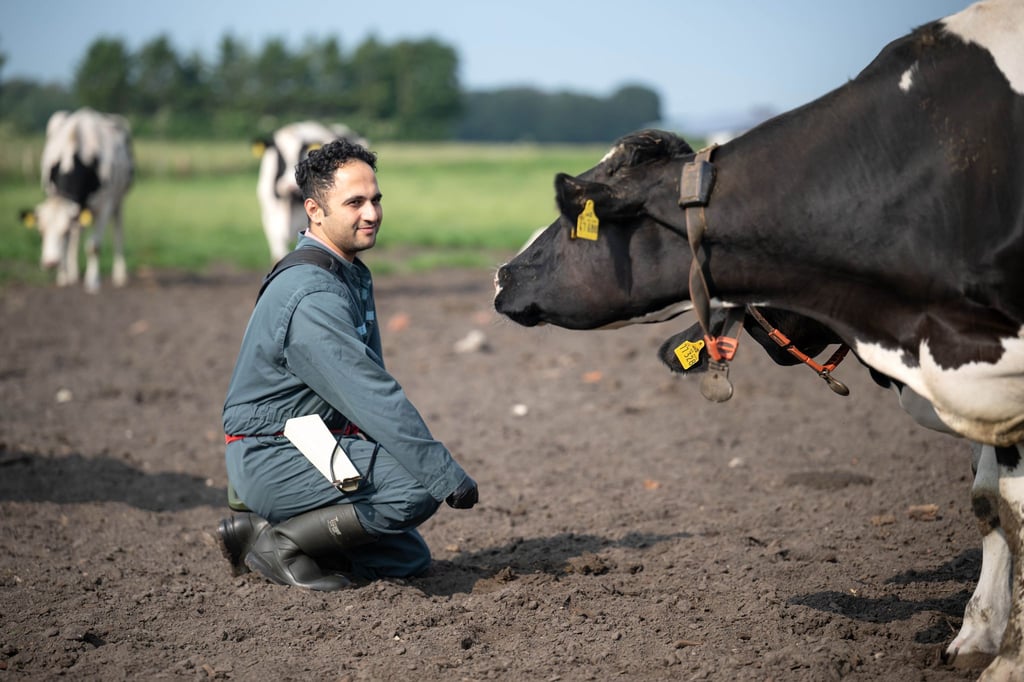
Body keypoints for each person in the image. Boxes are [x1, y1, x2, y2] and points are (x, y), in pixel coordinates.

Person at [217, 139, 479, 591]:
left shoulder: (343, 273)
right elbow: (370, 392)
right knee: (415, 489)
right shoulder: (313, 295)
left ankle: (256, 530)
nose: (372, 213)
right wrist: (442, 472)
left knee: (407, 557)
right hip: (273, 450)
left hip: (306, 442)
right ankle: (277, 543)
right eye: (355, 202)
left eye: (376, 199)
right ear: (315, 210)